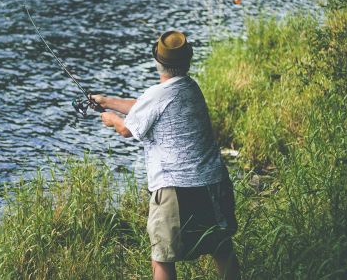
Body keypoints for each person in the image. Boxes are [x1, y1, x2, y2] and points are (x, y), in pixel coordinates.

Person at [91, 31, 241, 280]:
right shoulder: (190, 87)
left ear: (157, 62)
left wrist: (110, 118)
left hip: (176, 189)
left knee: (161, 257)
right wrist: (107, 100)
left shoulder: (158, 94)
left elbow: (127, 129)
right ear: (187, 61)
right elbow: (146, 105)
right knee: (221, 247)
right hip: (213, 183)